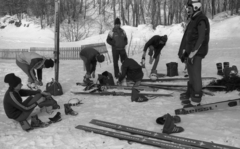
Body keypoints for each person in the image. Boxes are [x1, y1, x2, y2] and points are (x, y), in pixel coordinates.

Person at [178, 0, 210, 107]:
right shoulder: (193, 20)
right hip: (190, 52)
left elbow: (201, 38)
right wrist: (183, 52)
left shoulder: (201, 19)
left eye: (189, 8)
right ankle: (191, 93)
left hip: (197, 52)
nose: (188, 10)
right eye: (187, 9)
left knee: (195, 74)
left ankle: (196, 99)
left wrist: (193, 52)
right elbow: (187, 37)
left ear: (196, 8)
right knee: (191, 73)